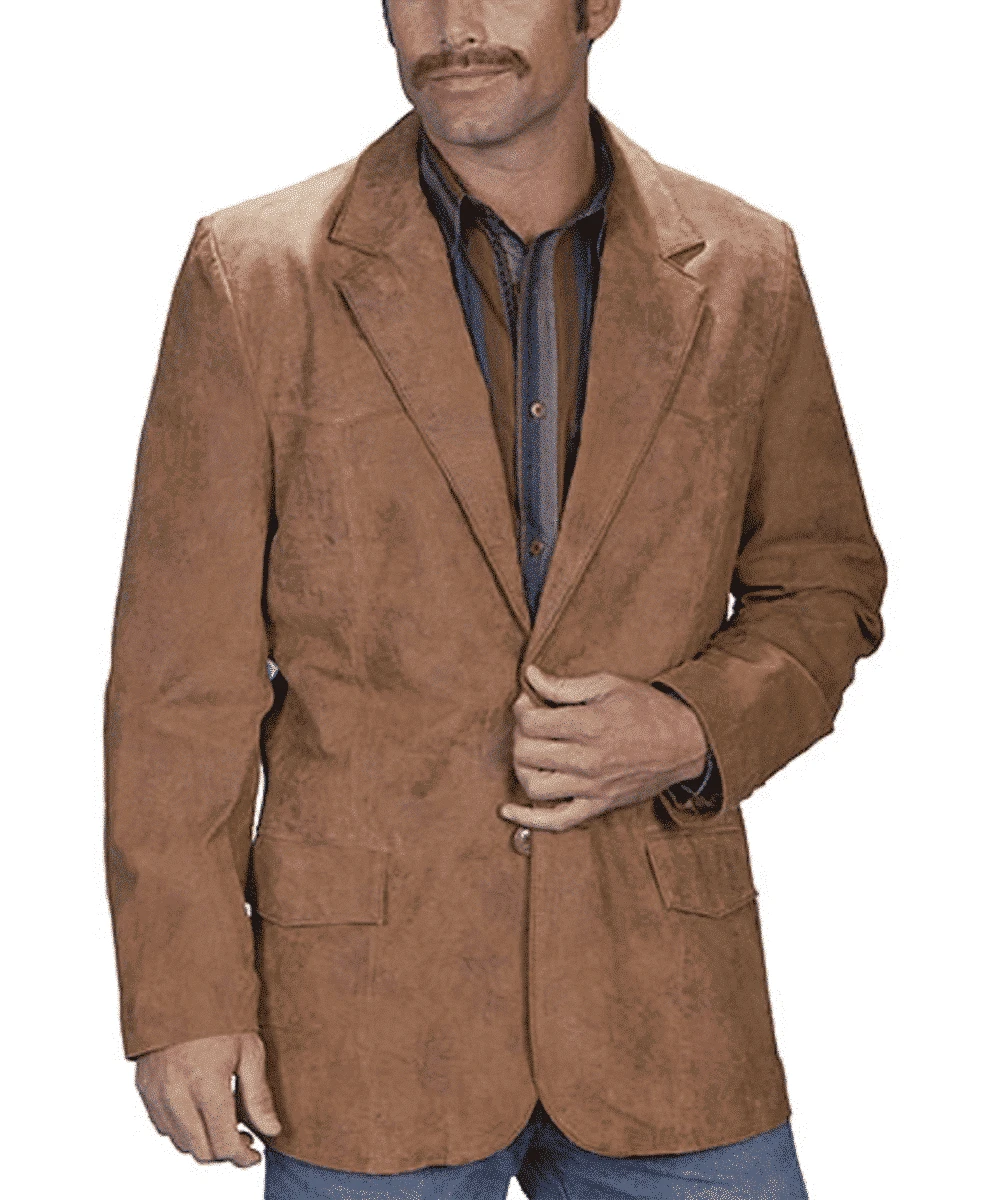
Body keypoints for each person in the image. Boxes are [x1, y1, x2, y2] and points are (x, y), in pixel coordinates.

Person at [103, 1, 887, 1196]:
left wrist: (693, 726)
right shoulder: (252, 273)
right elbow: (180, 680)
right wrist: (184, 996)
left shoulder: (746, 266)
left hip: (668, 1007)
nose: (455, 23)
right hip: (365, 1016)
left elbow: (823, 587)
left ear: (596, 7)